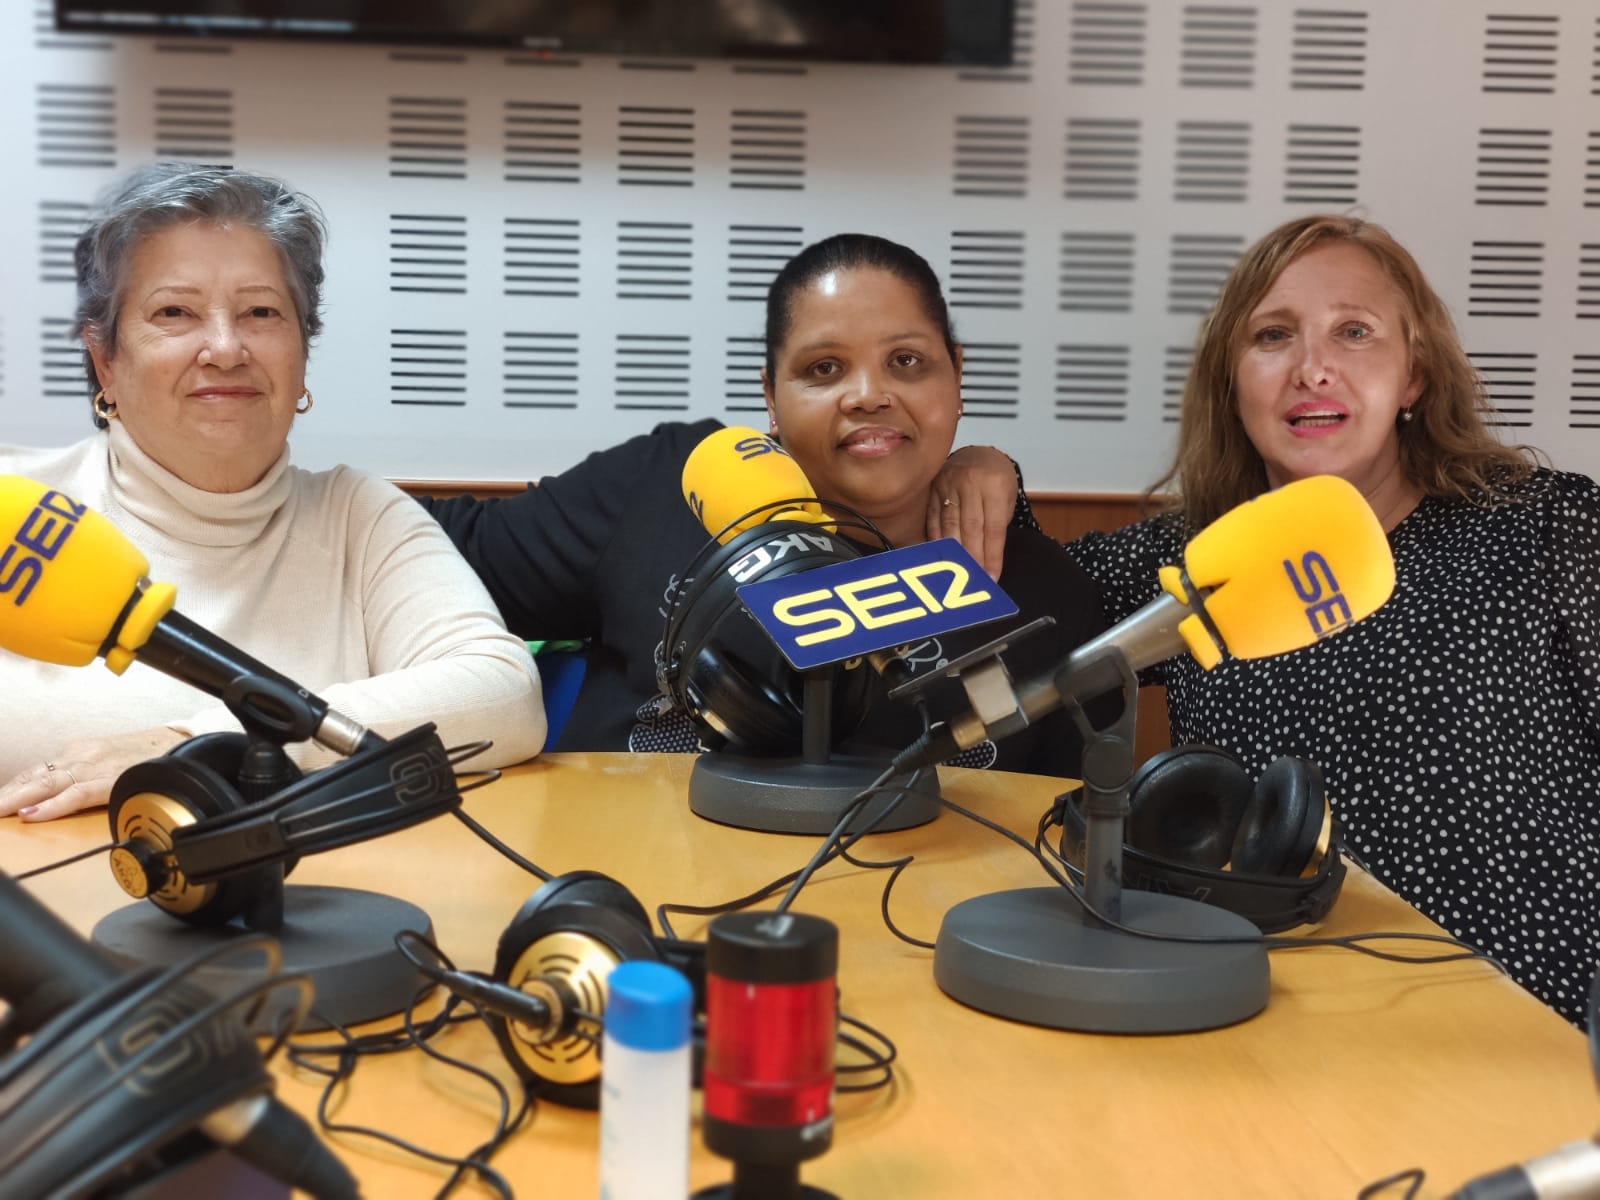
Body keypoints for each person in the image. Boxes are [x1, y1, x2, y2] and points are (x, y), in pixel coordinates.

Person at [1064, 213, 1600, 1026]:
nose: (1312, 370)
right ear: (1232, 380)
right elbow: (1018, 603)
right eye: (1273, 336)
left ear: (1413, 376)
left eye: (1355, 332)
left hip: (1535, 1030)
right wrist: (979, 466)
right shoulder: (1191, 563)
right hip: (1275, 1031)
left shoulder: (1548, 529)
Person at [425, 233, 1108, 775]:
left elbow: (1058, 841)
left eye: (907, 362)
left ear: (957, 377)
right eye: (823, 369)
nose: (868, 394)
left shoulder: (1044, 593)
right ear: (771, 399)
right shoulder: (668, 482)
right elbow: (434, 558)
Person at [0, 163, 545, 822]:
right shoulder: (16, 509)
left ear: (301, 353)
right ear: (104, 358)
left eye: (261, 312)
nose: (226, 348)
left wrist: (196, 747)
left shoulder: (360, 519)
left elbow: (506, 699)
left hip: (301, 906)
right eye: (175, 311)